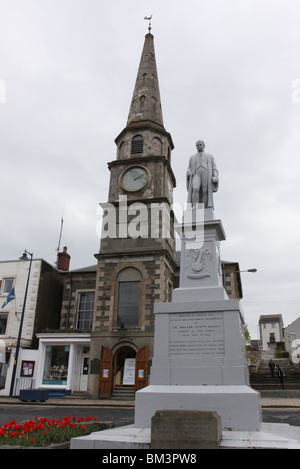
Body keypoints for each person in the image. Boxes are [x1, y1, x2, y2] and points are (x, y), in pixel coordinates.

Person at [186, 140, 219, 208]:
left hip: (206, 173)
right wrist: (188, 172)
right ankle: (195, 206)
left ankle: (204, 207)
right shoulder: (192, 157)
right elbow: (189, 168)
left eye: (200, 145)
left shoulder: (209, 156)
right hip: (196, 174)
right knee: (195, 188)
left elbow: (214, 168)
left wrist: (215, 175)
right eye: (197, 145)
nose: (199, 146)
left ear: (204, 146)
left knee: (205, 190)